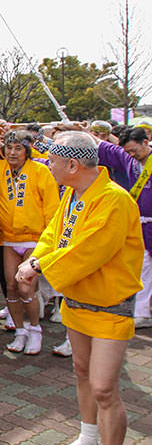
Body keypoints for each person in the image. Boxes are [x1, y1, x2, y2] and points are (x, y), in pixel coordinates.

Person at [16, 132, 143, 445]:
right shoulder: (73, 194)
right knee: (83, 374)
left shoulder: (115, 200)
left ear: (72, 164)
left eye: (53, 161)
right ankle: (88, 441)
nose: (48, 166)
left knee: (104, 387)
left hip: (109, 305)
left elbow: (90, 250)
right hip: (78, 300)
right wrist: (37, 258)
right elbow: (53, 235)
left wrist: (38, 267)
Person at [0, 130, 60, 355]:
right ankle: (20, 332)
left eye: (18, 148)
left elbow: (52, 208)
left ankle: (35, 330)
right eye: (9, 148)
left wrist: (50, 242)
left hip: (34, 238)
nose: (12, 152)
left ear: (27, 151)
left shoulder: (40, 171)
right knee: (10, 286)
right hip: (9, 237)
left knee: (25, 285)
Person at [94, 127, 152, 328]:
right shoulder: (129, 160)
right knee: (142, 268)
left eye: (134, 150)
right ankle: (142, 312)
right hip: (140, 224)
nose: (132, 155)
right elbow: (105, 147)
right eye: (128, 152)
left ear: (146, 142)